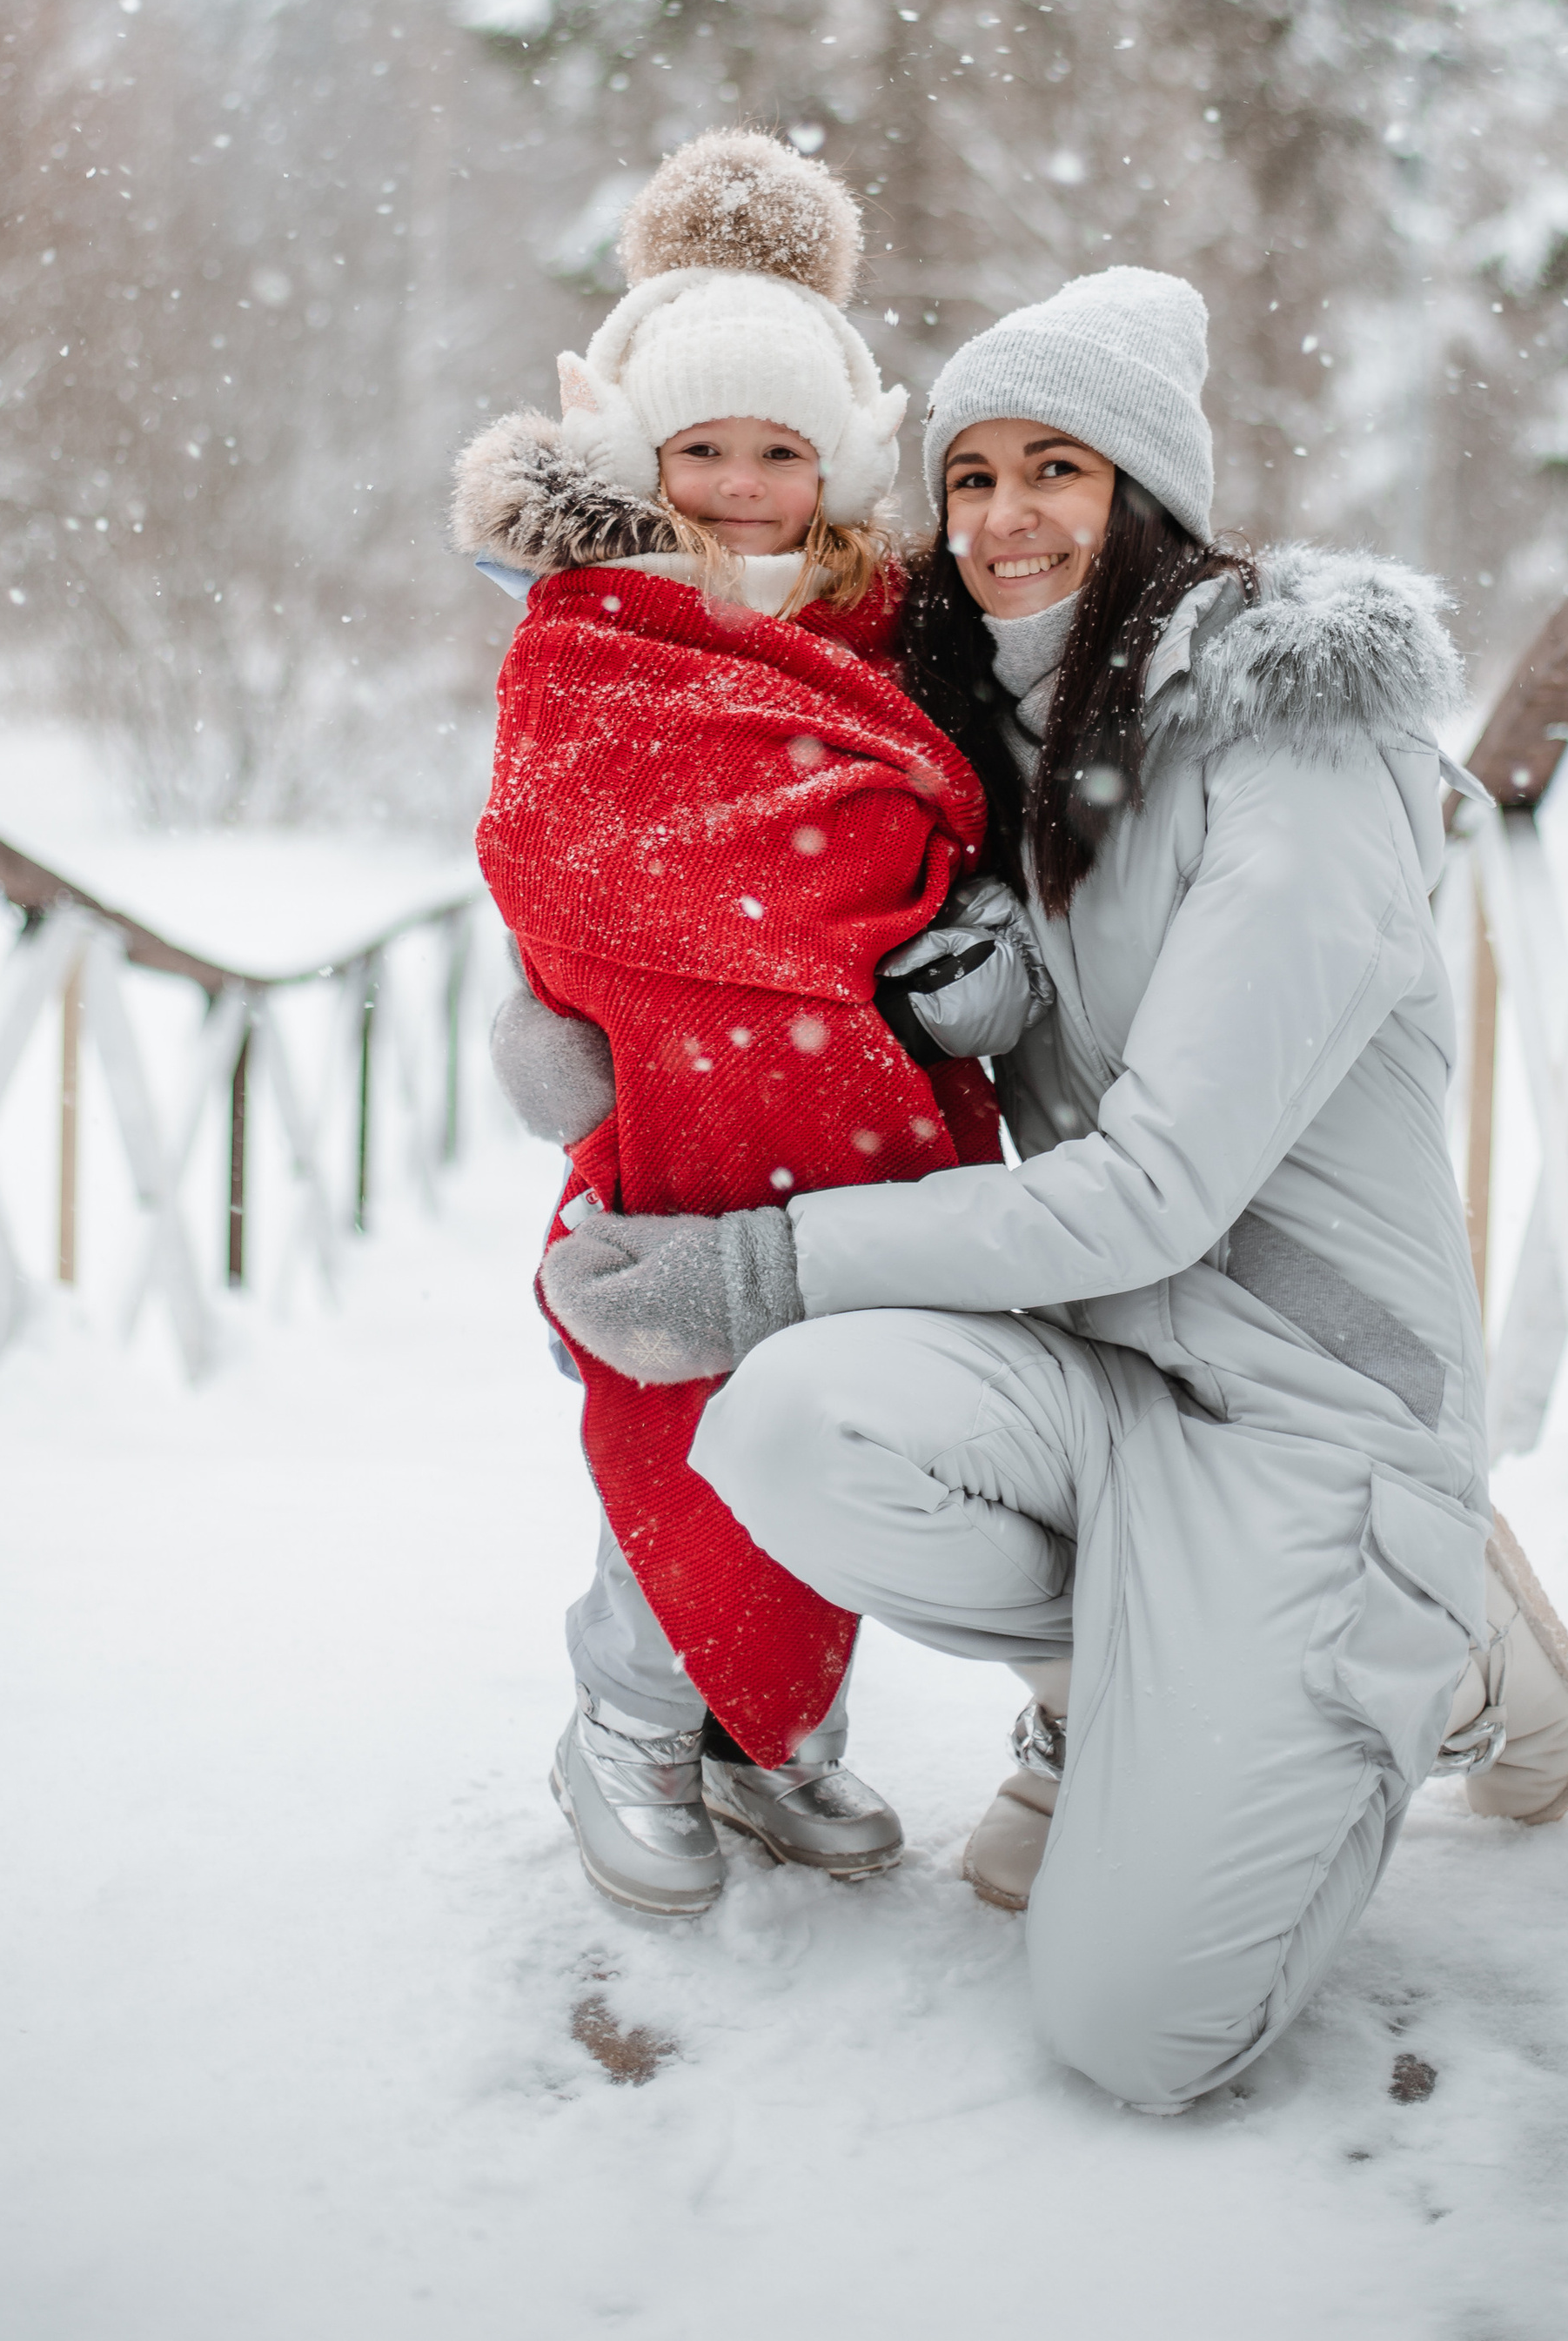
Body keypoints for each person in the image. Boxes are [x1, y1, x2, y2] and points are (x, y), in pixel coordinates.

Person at [541, 265, 1568, 2110]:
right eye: (971, 478)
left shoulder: (1295, 747)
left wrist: (753, 1265)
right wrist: (575, 1016)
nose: (1005, 519)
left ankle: (1406, 1622)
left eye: (1060, 472)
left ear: (1150, 499)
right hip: (1107, 1382)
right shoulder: (1004, 741)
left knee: (1134, 2032)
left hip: (1305, 1419)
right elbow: (697, 857)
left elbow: (1149, 1196)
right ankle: (1164, 1674)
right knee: (792, 1427)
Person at [453, 130, 1047, 1922]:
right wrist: (587, 982)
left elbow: (949, 810)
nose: (735, 485)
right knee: (690, 1392)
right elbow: (566, 839)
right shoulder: (595, 630)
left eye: (776, 451)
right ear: (642, 455)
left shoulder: (894, 622)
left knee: (848, 1391)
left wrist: (958, 930)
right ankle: (628, 1722)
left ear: (833, 461)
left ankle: (759, 1731)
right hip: (682, 1096)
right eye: (698, 449)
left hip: (864, 1084)